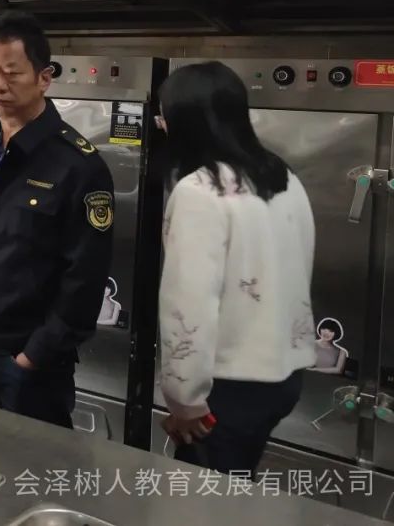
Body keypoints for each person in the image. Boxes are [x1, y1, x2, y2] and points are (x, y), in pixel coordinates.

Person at [0, 11, 114, 428]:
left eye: (12, 72)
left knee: (33, 465)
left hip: (26, 364)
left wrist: (34, 355)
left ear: (44, 78)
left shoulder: (77, 165)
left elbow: (85, 278)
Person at [156, 61, 316, 477]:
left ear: (185, 122)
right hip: (283, 376)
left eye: (164, 117)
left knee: (205, 498)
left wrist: (185, 399)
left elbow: (188, 303)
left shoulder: (199, 190)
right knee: (236, 486)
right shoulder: (281, 175)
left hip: (226, 385)